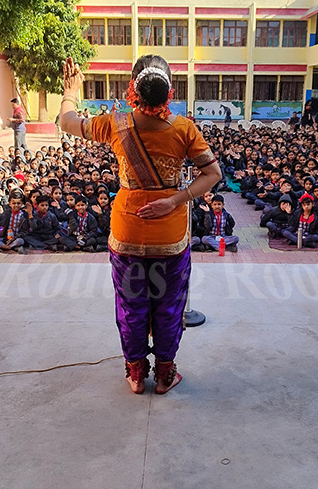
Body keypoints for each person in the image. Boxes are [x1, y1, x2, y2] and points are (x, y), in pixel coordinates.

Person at [58, 54, 221, 395]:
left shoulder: (113, 124)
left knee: (131, 304)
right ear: (169, 91)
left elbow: (67, 122)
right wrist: (175, 200)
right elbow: (212, 174)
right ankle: (164, 375)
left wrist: (70, 90)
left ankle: (135, 374)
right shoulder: (184, 129)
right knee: (169, 305)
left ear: (133, 88)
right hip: (170, 235)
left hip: (127, 232)